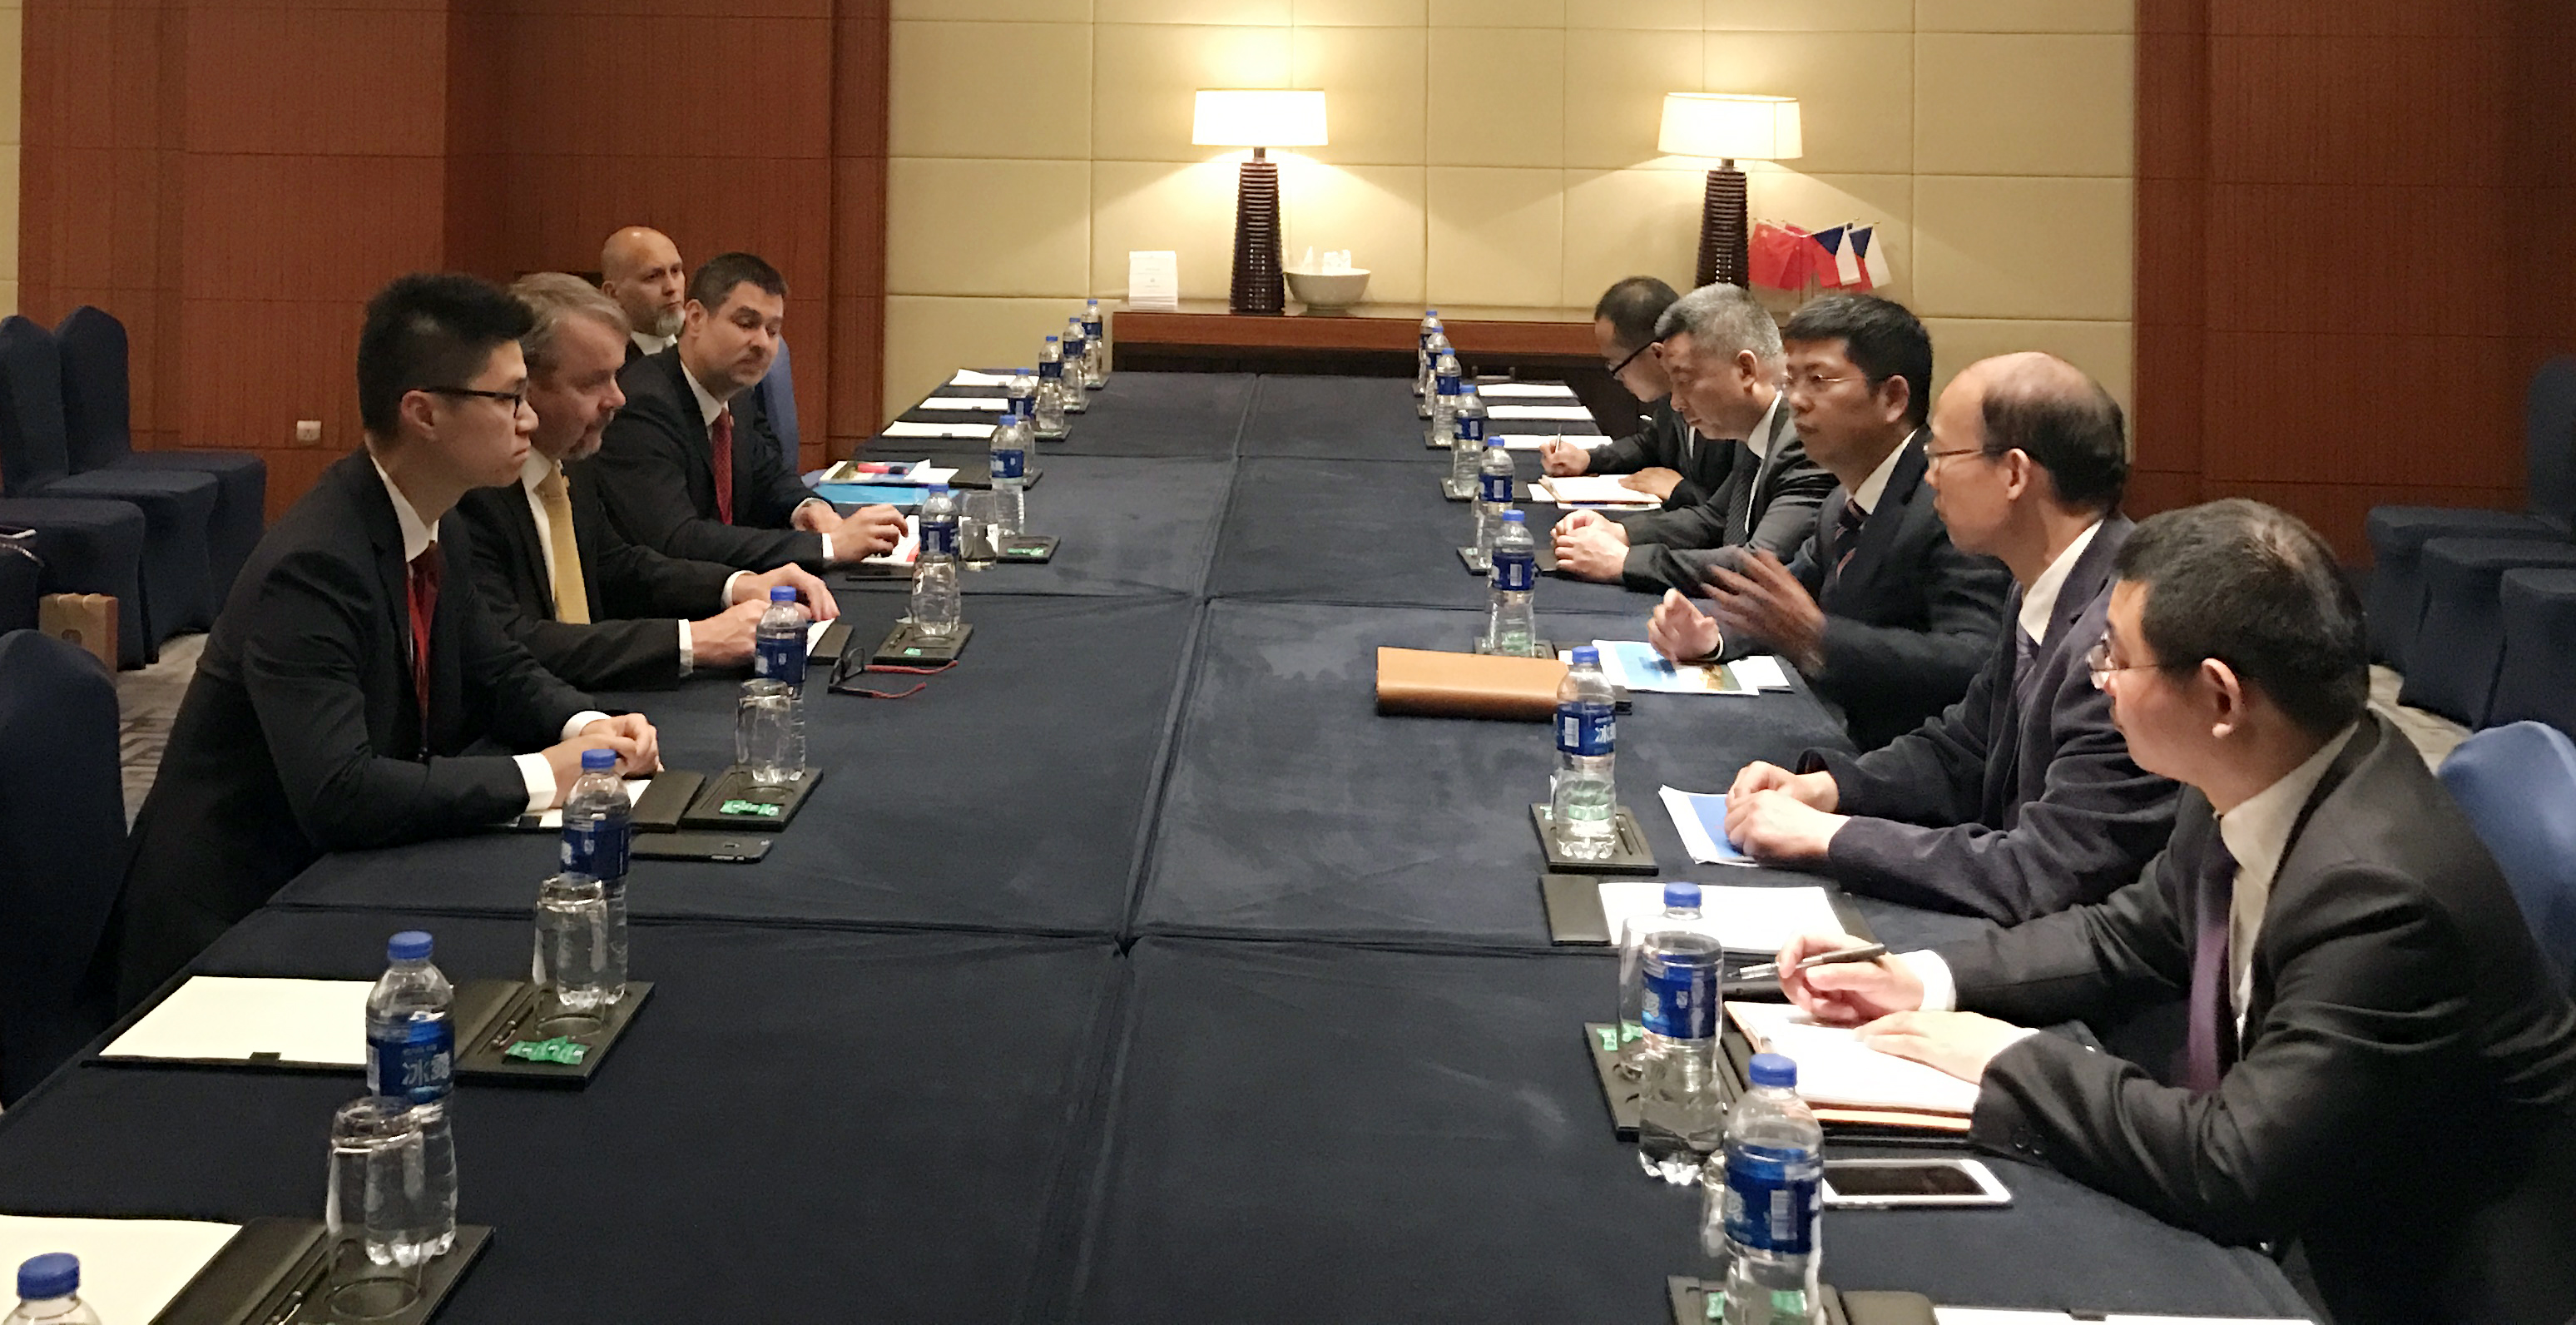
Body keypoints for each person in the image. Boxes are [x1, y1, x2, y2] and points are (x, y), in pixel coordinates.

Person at [1774, 499, 2576, 1325]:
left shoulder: (2378, 894)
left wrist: (2007, 1056)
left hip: (2391, 1281)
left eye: (2117, 658)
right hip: (2301, 1205)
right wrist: (1924, 978)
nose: (2098, 679)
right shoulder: (2259, 766)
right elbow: (2132, 933)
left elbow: (2234, 1162)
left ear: (2221, 697)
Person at [101, 274, 661, 1009]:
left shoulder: (437, 520)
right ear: (423, 413)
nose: (529, 421)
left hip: (344, 879)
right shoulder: (314, 564)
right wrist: (544, 775)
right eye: (508, 398)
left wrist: (587, 727)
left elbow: (499, 669)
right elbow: (339, 791)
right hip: (230, 933)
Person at [1647, 297, 2009, 752]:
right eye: (1791, 380)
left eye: (1818, 380)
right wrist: (1713, 637)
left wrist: (1822, 640)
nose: (1796, 400)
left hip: (1912, 759)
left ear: (1893, 398)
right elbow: (1785, 599)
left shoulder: (1948, 501)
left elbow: (1976, 661)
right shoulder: (1844, 498)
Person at [452, 273, 840, 691]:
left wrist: (738, 586)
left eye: (615, 376)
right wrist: (696, 641)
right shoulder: (473, 492)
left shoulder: (571, 463)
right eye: (592, 382)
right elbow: (516, 642)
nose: (618, 398)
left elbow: (617, 566)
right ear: (523, 389)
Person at [586, 251, 904, 571]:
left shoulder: (736, 393)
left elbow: (769, 475)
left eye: (773, 330)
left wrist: (809, 507)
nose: (762, 343)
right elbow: (677, 539)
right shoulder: (642, 404)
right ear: (695, 318)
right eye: (746, 324)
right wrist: (829, 546)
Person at [1552, 283, 1835, 593]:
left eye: (1685, 381)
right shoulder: (1757, 433)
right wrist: (1620, 532)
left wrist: (1625, 562)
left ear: (1745, 370)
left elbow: (1761, 566)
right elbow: (1713, 519)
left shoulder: (1803, 445)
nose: (1675, 403)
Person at [1536, 276, 1731, 510]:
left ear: (1657, 353)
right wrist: (1588, 459)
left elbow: (1734, 513)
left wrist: (1680, 491)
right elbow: (1651, 445)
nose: (1617, 377)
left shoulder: (1725, 404)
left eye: (1617, 364)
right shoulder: (1670, 395)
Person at [599, 226, 686, 364]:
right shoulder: (603, 364)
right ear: (613, 294)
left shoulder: (701, 349)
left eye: (675, 271)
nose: (672, 288)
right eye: (653, 277)